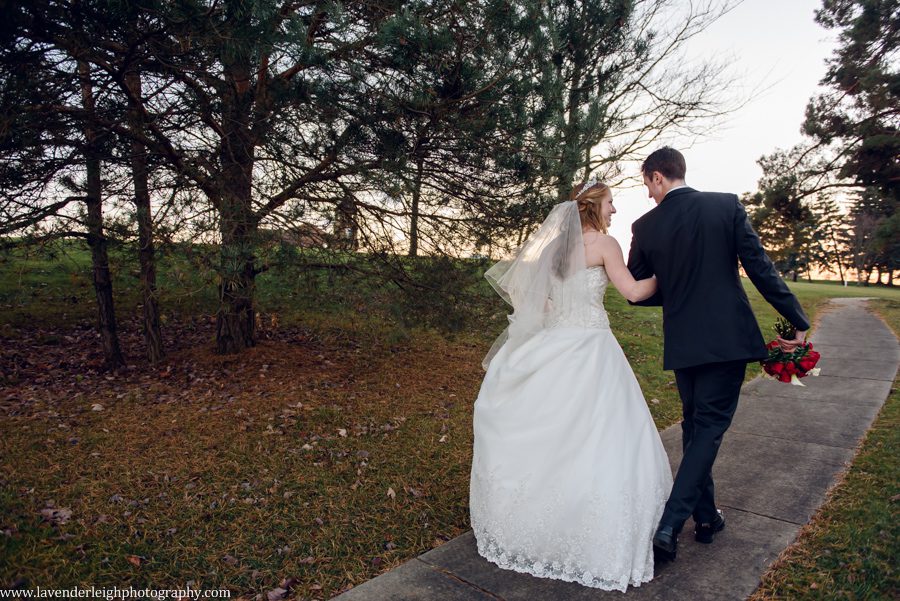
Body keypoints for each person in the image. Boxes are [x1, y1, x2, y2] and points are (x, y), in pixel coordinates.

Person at [469, 179, 673, 592]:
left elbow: (530, 296)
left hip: (555, 342)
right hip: (592, 346)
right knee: (599, 435)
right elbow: (634, 292)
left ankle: (534, 518)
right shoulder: (606, 245)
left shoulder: (554, 250)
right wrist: (669, 276)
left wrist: (557, 314)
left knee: (552, 433)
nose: (614, 210)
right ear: (594, 206)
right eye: (611, 202)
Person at [626, 146, 810, 561]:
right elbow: (759, 267)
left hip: (684, 341)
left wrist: (678, 290)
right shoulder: (725, 206)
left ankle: (707, 519)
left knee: (697, 427)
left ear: (658, 176)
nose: (648, 194)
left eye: (647, 185)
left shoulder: (645, 226)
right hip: (727, 338)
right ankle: (671, 522)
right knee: (705, 428)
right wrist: (796, 318)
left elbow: (637, 291)